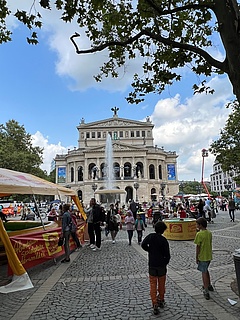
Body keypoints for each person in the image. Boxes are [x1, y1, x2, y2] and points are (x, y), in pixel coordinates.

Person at [141, 221, 170, 315]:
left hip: (152, 264)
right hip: (161, 265)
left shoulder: (151, 236)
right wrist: (165, 262)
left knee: (153, 284)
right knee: (161, 284)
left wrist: (149, 250)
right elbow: (167, 254)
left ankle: (154, 302)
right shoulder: (163, 240)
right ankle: (161, 299)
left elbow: (143, 244)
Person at [194, 217, 213, 300]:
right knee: (206, 270)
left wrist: (197, 257)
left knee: (203, 272)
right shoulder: (209, 233)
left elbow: (198, 246)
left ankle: (206, 290)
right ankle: (209, 285)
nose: (196, 226)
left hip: (203, 256)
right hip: (209, 255)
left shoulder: (199, 234)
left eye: (197, 224)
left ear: (200, 225)